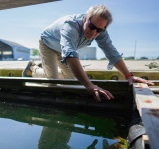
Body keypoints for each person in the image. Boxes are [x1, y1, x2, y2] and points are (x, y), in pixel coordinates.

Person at [22, 4, 154, 101]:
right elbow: (70, 54)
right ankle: (33, 69)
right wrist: (89, 85)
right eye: (92, 27)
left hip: (63, 50)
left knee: (70, 79)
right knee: (53, 82)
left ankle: (38, 69)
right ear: (85, 19)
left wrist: (128, 76)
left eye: (99, 30)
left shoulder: (99, 31)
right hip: (48, 44)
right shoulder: (70, 25)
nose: (94, 32)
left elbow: (111, 52)